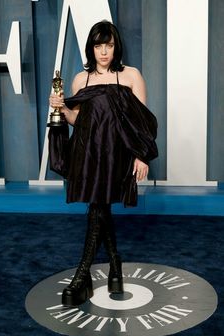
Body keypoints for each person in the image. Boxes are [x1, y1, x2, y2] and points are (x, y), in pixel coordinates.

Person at [49, 20, 158, 306]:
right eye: (98, 46)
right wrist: (61, 108)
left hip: (118, 154)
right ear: (91, 48)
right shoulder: (79, 80)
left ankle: (83, 274)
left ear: (116, 46)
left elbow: (142, 123)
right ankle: (114, 266)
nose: (104, 51)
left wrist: (141, 155)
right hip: (89, 153)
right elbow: (78, 122)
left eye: (108, 45)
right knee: (100, 206)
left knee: (98, 207)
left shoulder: (132, 75)